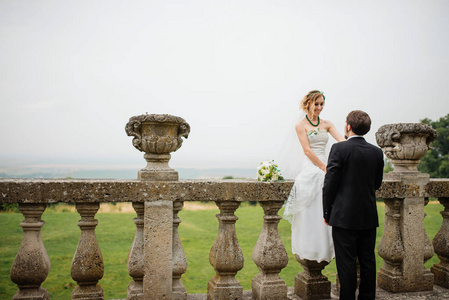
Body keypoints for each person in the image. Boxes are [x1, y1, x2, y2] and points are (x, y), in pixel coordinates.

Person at [323, 110, 384, 300]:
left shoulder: (339, 149)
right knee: (368, 261)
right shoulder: (376, 152)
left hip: (343, 216)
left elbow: (330, 184)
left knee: (346, 262)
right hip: (368, 215)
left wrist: (327, 212)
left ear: (348, 127)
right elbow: (377, 184)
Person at [283, 90, 345, 263]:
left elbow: (341, 141)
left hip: (326, 165)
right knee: (312, 203)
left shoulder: (327, 124)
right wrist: (323, 167)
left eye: (321, 104)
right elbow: (307, 150)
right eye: (316, 104)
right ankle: (309, 246)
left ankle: (327, 245)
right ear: (308, 104)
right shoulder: (300, 125)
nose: (319, 108)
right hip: (312, 165)